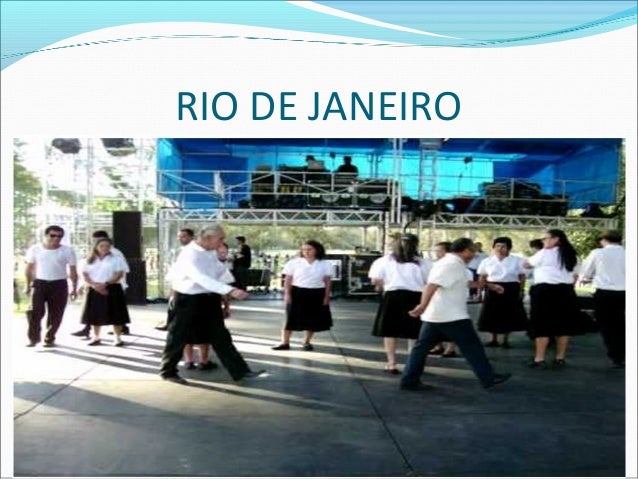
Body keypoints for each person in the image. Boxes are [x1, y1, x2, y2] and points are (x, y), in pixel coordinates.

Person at [400, 238, 511, 391]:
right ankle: (488, 376)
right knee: (472, 346)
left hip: (438, 314)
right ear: (465, 250)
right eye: (472, 251)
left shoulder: (454, 264)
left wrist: (488, 285)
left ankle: (409, 380)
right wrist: (422, 305)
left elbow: (463, 282)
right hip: (450, 315)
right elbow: (432, 285)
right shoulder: (450, 264)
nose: (474, 255)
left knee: (421, 348)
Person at [159, 224, 263, 385]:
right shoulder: (189, 254)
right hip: (189, 300)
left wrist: (231, 285)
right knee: (178, 336)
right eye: (220, 239)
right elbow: (201, 278)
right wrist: (230, 290)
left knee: (221, 336)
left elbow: (219, 271)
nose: (222, 243)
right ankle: (167, 371)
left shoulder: (210, 252)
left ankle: (241, 371)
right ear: (207, 238)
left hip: (209, 298)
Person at [368, 234, 432, 374]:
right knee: (414, 332)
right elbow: (429, 282)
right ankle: (413, 364)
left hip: (393, 296)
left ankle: (391, 363)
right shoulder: (424, 263)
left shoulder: (384, 261)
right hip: (416, 296)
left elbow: (376, 281)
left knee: (390, 331)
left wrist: (382, 284)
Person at [523, 229, 580, 368]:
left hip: (545, 291)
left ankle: (539, 358)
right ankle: (560, 357)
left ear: (556, 239)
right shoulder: (573, 255)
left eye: (546, 238)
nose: (543, 241)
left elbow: (527, 264)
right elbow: (575, 275)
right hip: (566, 291)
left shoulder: (544, 253)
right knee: (563, 326)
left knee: (542, 324)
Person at [272, 240, 333, 351]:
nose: (306, 252)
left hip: (317, 293)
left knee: (312, 319)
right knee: (290, 318)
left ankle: (306, 342)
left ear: (317, 250)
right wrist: (287, 294)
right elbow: (288, 279)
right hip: (297, 292)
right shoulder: (294, 263)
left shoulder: (325, 264)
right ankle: (285, 342)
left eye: (309, 249)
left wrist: (326, 296)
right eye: (304, 249)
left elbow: (327, 281)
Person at [24, 225, 78, 347]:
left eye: (59, 236)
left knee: (56, 313)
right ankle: (33, 338)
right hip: (40, 284)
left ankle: (49, 337)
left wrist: (74, 288)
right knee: (35, 312)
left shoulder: (67, 251)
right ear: (46, 235)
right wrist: (28, 285)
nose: (56, 238)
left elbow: (73, 271)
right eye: (52, 235)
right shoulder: (35, 249)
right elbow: (29, 268)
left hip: (59, 284)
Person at [182, 241, 232, 370]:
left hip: (191, 301)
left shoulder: (193, 262)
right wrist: (226, 305)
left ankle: (190, 360)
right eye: (220, 252)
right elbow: (223, 289)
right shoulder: (215, 266)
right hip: (205, 302)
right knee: (203, 332)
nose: (222, 254)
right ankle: (202, 361)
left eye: (224, 252)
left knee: (190, 331)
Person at [579, 230, 625, 368]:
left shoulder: (597, 253)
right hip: (626, 292)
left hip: (605, 293)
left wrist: (586, 278)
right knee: (623, 323)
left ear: (604, 240)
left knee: (608, 325)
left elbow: (586, 272)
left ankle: (617, 355)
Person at [72, 230, 130, 339]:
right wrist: (90, 285)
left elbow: (121, 272)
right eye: (99, 243)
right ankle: (93, 334)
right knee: (94, 312)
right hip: (94, 286)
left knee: (115, 312)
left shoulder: (116, 254)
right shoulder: (91, 256)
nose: (103, 247)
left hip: (112, 285)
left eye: (105, 245)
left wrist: (107, 284)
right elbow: (84, 272)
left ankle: (119, 333)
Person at [476, 237, 528, 348]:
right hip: (492, 288)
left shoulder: (517, 260)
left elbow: (522, 276)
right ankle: (493, 339)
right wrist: (479, 292)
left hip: (511, 288)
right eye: (497, 246)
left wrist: (521, 290)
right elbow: (482, 277)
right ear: (493, 248)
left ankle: (506, 340)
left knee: (509, 314)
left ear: (509, 248)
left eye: (503, 246)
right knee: (492, 314)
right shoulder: (487, 261)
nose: (500, 249)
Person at [155, 228, 195, 331]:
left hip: (188, 284)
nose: (180, 239)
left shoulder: (194, 250)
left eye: (183, 236)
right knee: (173, 303)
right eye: (179, 236)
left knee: (179, 305)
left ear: (191, 237)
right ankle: (170, 323)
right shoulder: (182, 250)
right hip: (178, 282)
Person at [428, 241, 458, 358]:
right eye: (435, 251)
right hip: (435, 298)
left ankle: (451, 348)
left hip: (451, 298)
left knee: (452, 324)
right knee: (435, 322)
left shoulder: (454, 265)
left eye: (439, 251)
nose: (436, 253)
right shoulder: (433, 264)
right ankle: (438, 345)